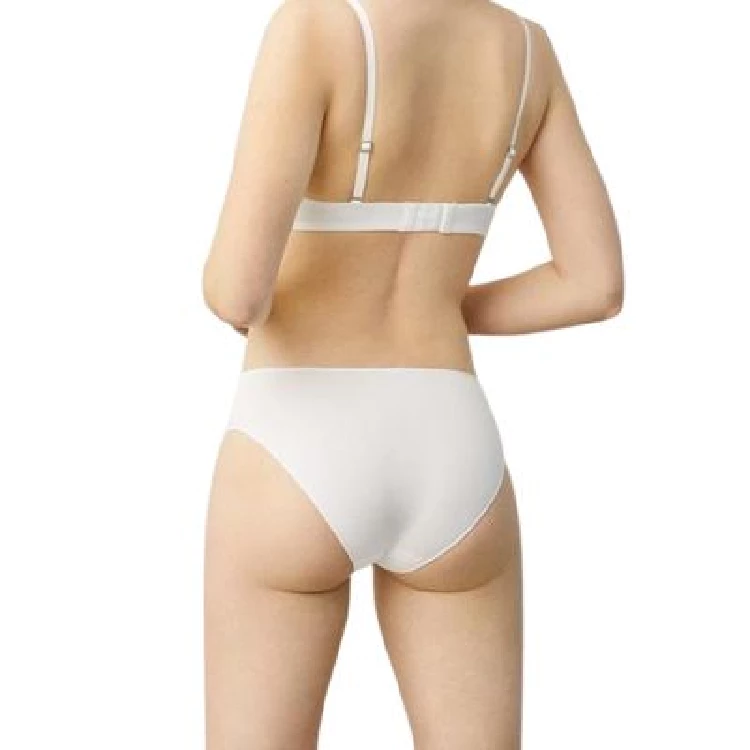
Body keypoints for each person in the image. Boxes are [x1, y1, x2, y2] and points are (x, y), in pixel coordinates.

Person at [201, 0, 624, 747]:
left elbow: (236, 291)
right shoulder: (527, 50)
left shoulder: (315, 26)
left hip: (296, 438)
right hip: (451, 446)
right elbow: (593, 283)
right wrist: (440, 304)